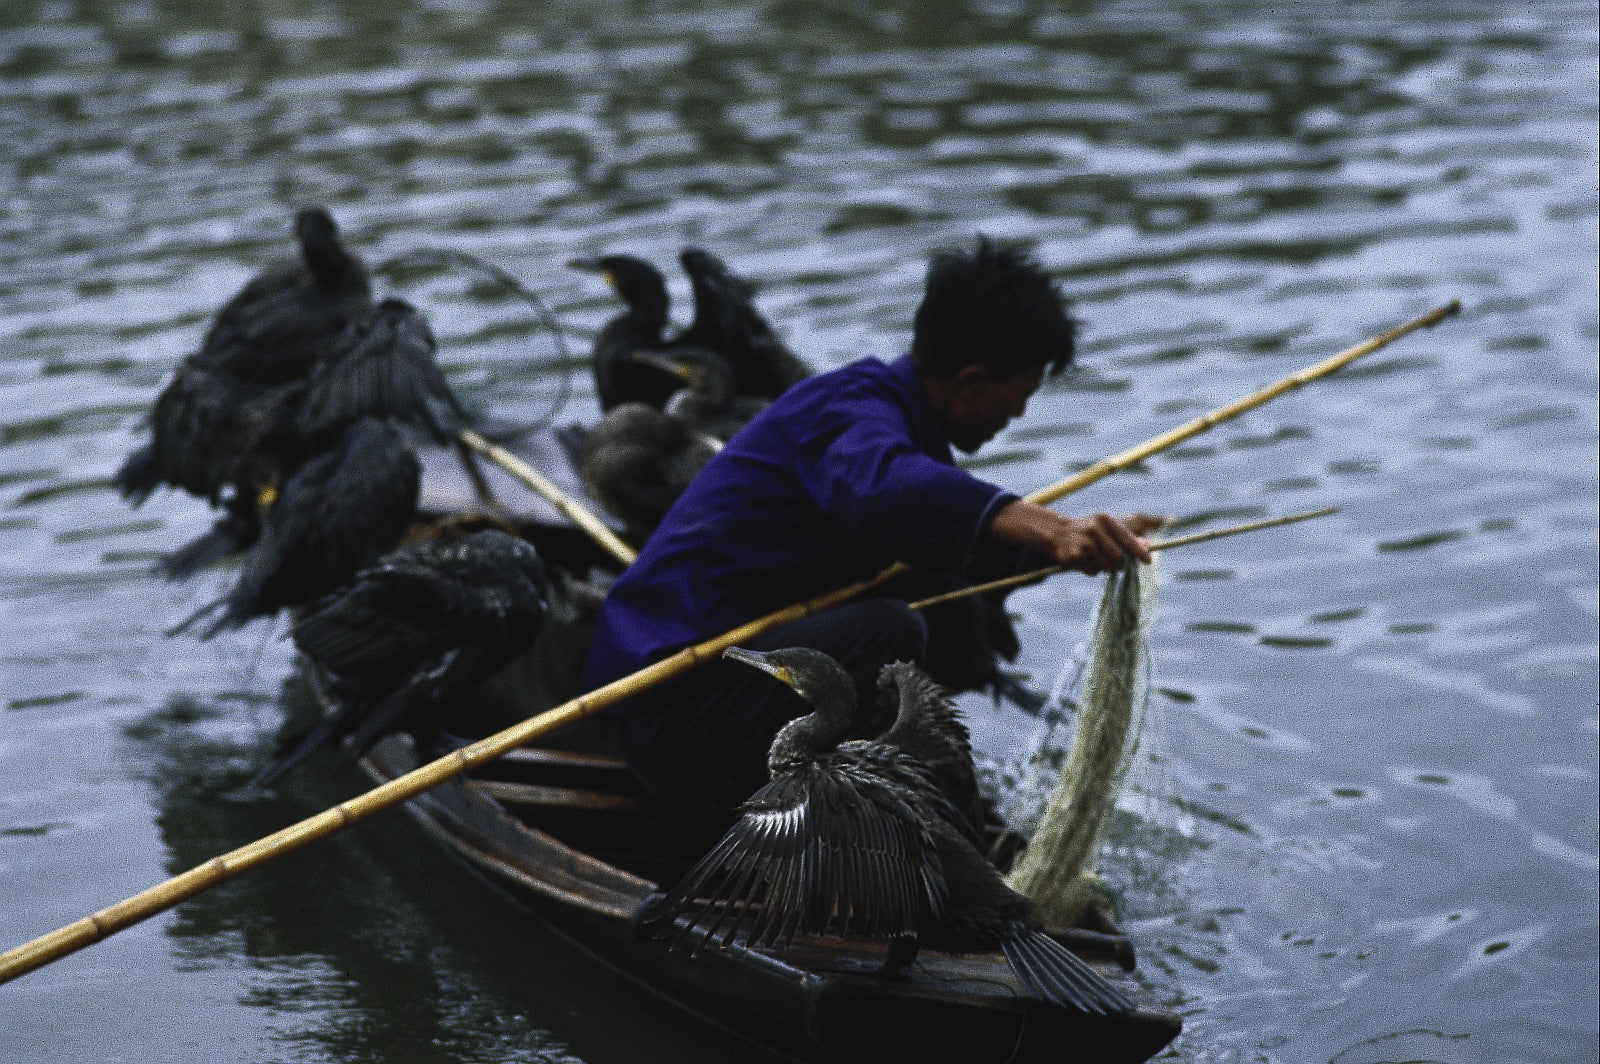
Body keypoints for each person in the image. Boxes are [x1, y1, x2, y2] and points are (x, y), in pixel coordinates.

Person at [579, 237, 1163, 806]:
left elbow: (949, 540)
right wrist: (1053, 528)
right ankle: (801, 804)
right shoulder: (850, 414)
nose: (1018, 413)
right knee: (890, 629)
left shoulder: (899, 427)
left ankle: (876, 783)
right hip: (668, 711)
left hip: (725, 683)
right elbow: (888, 483)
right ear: (972, 383)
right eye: (1019, 395)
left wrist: (1075, 548)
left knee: (949, 602)